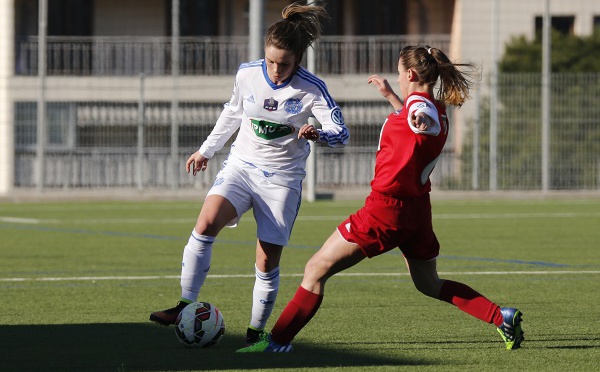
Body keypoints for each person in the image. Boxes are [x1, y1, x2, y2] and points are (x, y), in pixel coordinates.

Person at [237, 45, 524, 353]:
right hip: (416, 213)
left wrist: (418, 118)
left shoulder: (424, 111)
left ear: (411, 74)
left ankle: (277, 342)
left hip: (385, 210)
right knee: (429, 284)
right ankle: (500, 316)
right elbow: (413, 114)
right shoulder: (435, 105)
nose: (397, 79)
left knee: (316, 270)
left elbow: (418, 117)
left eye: (399, 74)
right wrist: (391, 97)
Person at [149, 1, 349, 346]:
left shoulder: (311, 88)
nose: (275, 70)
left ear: (298, 59)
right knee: (206, 222)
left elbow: (341, 132)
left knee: (266, 259)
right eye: (270, 61)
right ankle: (184, 305)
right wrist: (205, 150)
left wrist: (319, 134)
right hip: (241, 166)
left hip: (282, 179)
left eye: (284, 64)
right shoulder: (247, 74)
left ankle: (256, 333)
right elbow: (232, 113)